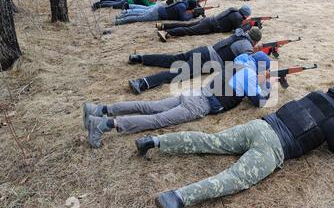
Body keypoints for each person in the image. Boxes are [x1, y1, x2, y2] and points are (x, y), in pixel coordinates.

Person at [133, 86, 334, 208]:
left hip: (259, 125)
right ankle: (176, 198)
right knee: (234, 178)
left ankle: (155, 141)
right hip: (274, 147)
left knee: (209, 140)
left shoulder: (315, 95)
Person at [83, 52, 273, 148]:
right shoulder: (249, 73)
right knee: (157, 120)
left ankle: (99, 109)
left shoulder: (238, 63)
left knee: (149, 106)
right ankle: (104, 124)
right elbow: (259, 101)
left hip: (194, 93)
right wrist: (267, 83)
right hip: (202, 104)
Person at [128, 28, 263, 93]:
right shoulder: (246, 46)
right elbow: (246, 65)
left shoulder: (239, 34)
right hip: (205, 59)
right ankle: (142, 83)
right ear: (256, 41)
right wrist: (255, 53)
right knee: (177, 74)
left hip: (204, 50)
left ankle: (140, 58)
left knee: (173, 59)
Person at [157, 5, 252, 42]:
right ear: (245, 14)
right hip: (210, 26)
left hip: (209, 20)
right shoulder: (237, 17)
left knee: (187, 25)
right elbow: (238, 31)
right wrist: (249, 25)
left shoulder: (233, 11)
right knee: (189, 30)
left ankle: (163, 26)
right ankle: (166, 33)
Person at [115, 0, 200, 26]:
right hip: (157, 13)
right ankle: (119, 21)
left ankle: (121, 16)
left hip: (158, 9)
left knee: (139, 14)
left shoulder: (183, 3)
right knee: (138, 18)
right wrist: (192, 14)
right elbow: (183, 18)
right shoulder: (182, 7)